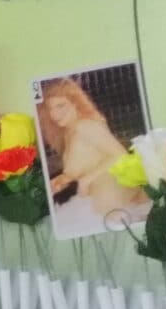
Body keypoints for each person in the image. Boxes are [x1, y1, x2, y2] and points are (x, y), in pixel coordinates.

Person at [39, 76, 151, 231]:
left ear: (75, 103)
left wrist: (88, 178)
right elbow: (87, 163)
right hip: (96, 204)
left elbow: (120, 155)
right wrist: (63, 179)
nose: (54, 114)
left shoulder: (85, 126)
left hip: (116, 202)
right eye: (50, 108)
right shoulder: (68, 132)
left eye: (60, 106)